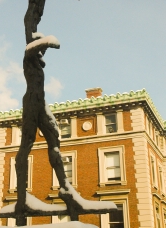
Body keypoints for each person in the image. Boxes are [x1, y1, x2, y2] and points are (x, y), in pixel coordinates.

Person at [15, 35, 117, 226]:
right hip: (30, 104)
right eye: (41, 50)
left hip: (41, 104)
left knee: (54, 143)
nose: (43, 53)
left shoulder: (38, 64)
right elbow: (31, 48)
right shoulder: (29, 59)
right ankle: (22, 197)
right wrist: (48, 41)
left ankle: (66, 189)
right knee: (25, 147)